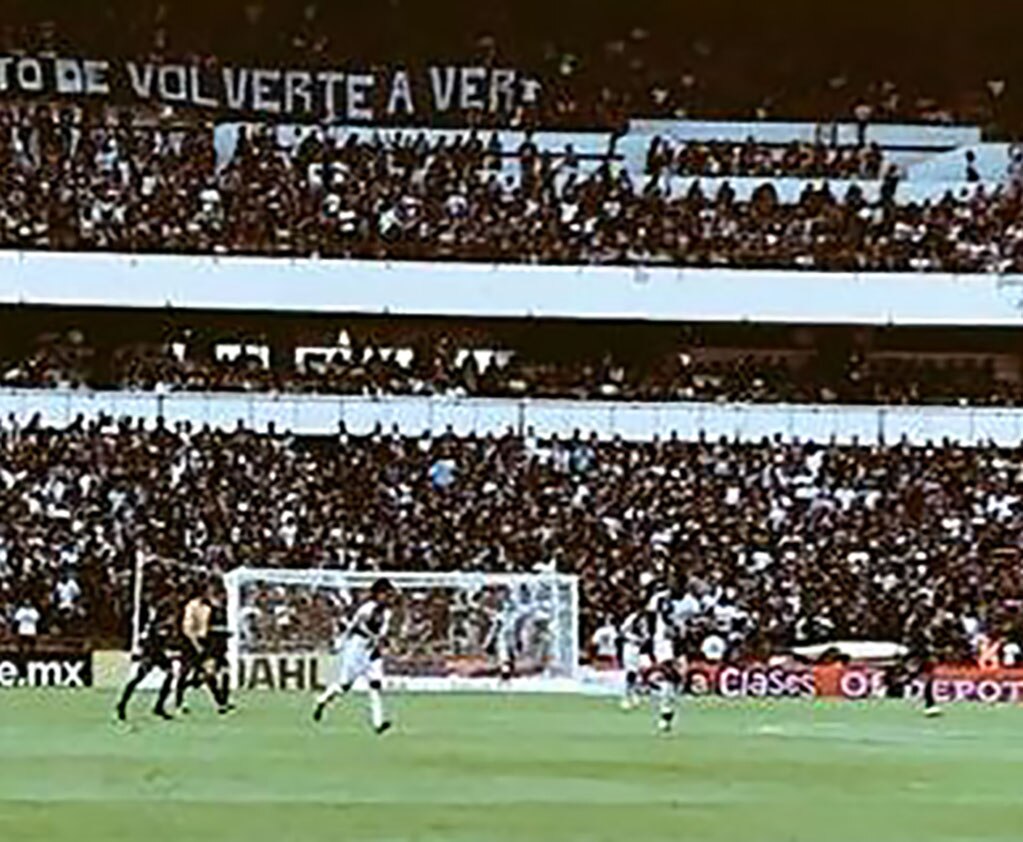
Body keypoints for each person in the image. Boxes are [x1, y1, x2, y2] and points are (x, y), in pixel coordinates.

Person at [313, 578, 394, 733]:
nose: (388, 597)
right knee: (344, 685)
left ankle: (378, 723)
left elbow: (382, 632)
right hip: (357, 647)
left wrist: (382, 642)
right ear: (377, 594)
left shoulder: (387, 613)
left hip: (372, 650)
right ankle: (322, 700)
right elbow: (353, 627)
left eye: (389, 594)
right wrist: (340, 644)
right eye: (385, 593)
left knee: (375, 684)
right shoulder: (366, 609)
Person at [116, 614, 175, 721]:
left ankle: (159, 706)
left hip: (160, 655)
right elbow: (146, 641)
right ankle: (122, 704)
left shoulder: (170, 628)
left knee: (170, 675)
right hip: (151, 654)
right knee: (138, 678)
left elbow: (166, 643)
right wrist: (143, 654)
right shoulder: (155, 627)